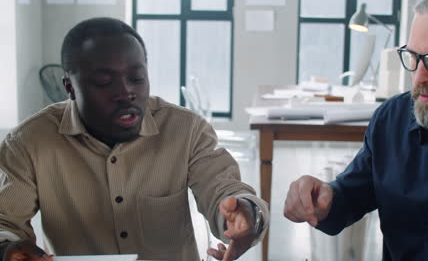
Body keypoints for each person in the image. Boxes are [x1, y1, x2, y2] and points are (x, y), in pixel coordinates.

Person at [0, 17, 269, 261]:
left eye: (136, 78)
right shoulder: (28, 143)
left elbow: (224, 188)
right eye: (105, 82)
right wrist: (7, 249)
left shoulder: (185, 129)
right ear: (70, 87)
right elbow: (4, 222)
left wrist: (246, 215)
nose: (125, 92)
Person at [283, 0, 428, 259]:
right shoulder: (392, 119)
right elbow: (351, 194)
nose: (419, 77)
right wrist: (323, 198)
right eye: (413, 57)